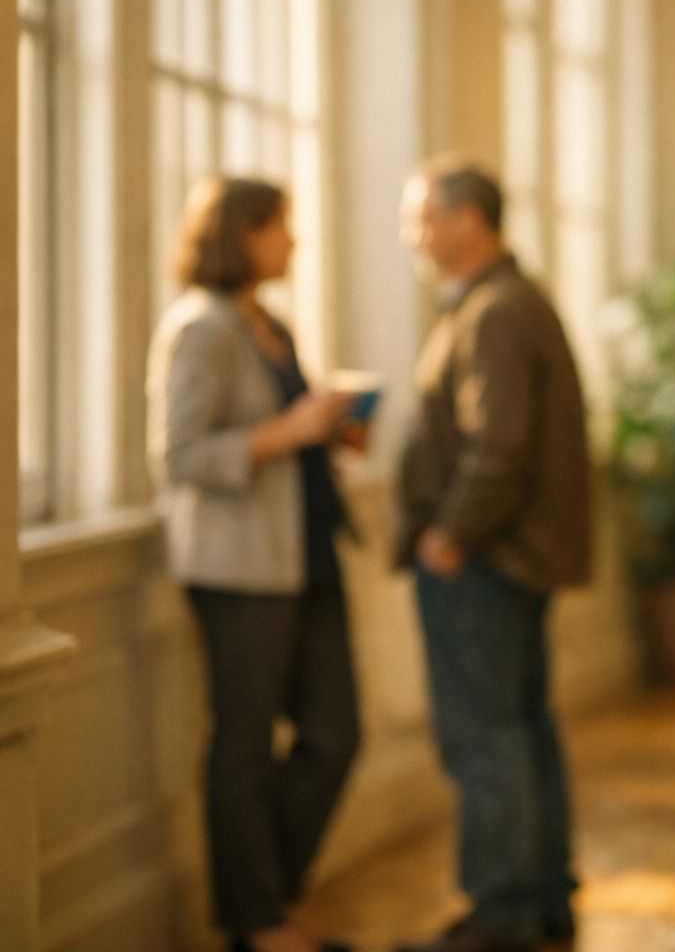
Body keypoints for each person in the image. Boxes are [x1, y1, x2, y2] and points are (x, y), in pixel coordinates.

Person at [146, 177, 360, 952]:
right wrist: (289, 430)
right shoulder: (199, 329)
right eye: (281, 226)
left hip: (309, 558)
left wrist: (328, 429)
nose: (294, 241)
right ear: (242, 234)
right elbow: (179, 455)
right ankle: (260, 920)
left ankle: (265, 899)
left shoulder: (272, 324)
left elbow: (285, 433)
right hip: (237, 571)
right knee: (242, 749)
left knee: (336, 735)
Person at [394, 159, 591, 952]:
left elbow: (498, 446)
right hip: (502, 560)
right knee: (519, 728)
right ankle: (540, 901)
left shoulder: (495, 312)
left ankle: (503, 912)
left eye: (422, 218)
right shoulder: (502, 300)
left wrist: (449, 535)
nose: (414, 236)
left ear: (467, 220)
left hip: (483, 562)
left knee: (485, 738)